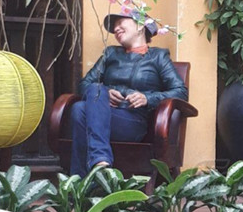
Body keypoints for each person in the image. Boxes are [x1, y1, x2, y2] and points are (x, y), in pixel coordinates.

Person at [70, 11, 188, 176]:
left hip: (133, 121)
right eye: (114, 26)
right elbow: (84, 85)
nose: (115, 29)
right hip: (103, 113)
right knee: (84, 102)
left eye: (120, 23)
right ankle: (100, 163)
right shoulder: (110, 54)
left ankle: (79, 179)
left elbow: (180, 92)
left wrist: (147, 98)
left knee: (80, 110)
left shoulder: (158, 57)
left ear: (140, 26)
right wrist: (107, 92)